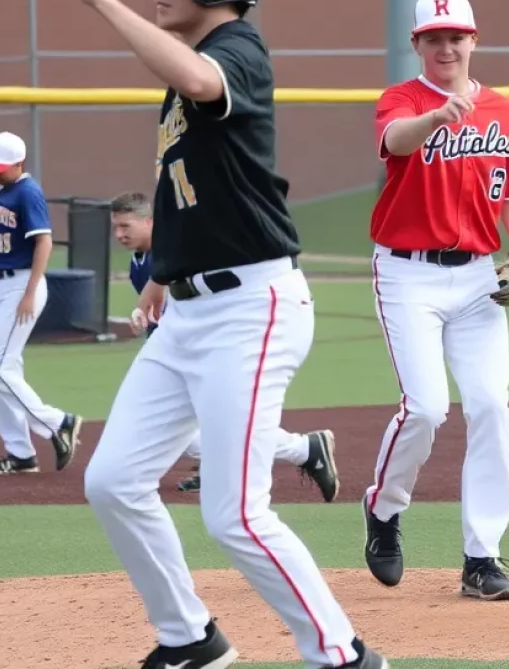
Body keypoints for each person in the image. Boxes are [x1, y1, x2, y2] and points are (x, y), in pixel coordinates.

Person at [51, 0, 386, 669]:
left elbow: (200, 78)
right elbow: (189, 187)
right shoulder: (188, 69)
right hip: (191, 312)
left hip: (252, 309)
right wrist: (164, 275)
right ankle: (189, 637)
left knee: (236, 513)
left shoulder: (237, 51)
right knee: (112, 481)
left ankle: (343, 655)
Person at [361, 0, 509, 603]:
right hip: (407, 274)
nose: (446, 47)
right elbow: (398, 141)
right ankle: (384, 509)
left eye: (455, 37)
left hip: (476, 277)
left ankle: (481, 558)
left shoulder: (506, 111)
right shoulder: (402, 100)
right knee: (427, 408)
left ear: (473, 41)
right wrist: (438, 116)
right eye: (433, 38)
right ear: (417, 44)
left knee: (492, 407)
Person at [109, 190, 341, 502]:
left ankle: (301, 450)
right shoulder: (142, 259)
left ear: (150, 222)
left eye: (126, 226)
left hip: (221, 333)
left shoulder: (179, 246)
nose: (119, 234)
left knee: (207, 426)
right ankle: (303, 450)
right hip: (179, 344)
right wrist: (144, 316)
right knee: (202, 424)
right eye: (116, 227)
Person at [0, 131, 82, 475]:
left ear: (19, 163)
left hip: (22, 286)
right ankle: (20, 454)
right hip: (3, 285)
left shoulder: (28, 192)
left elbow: (44, 243)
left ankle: (58, 422)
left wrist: (30, 291)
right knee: (6, 370)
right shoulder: (2, 194)